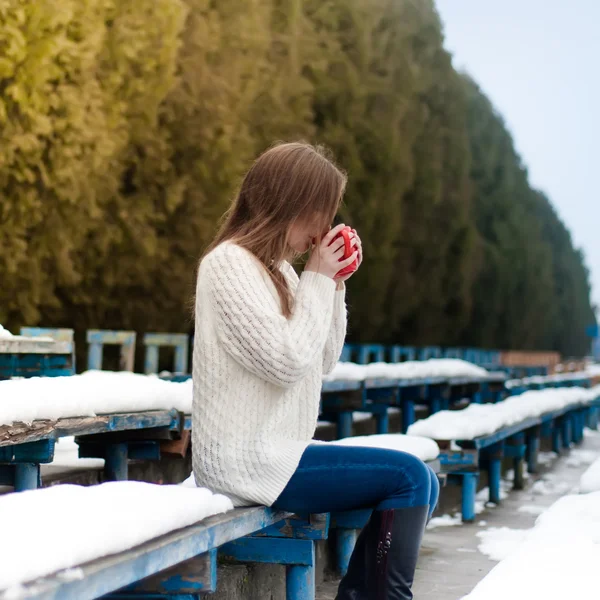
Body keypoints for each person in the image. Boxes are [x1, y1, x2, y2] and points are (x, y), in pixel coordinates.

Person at [192, 141, 439, 599]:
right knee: (409, 478)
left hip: (278, 455)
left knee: (423, 482)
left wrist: (334, 284)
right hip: (244, 461)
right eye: (319, 211)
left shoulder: (282, 272)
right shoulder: (227, 265)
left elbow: (320, 361)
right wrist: (319, 279)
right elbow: (287, 362)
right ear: (288, 202)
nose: (325, 226)